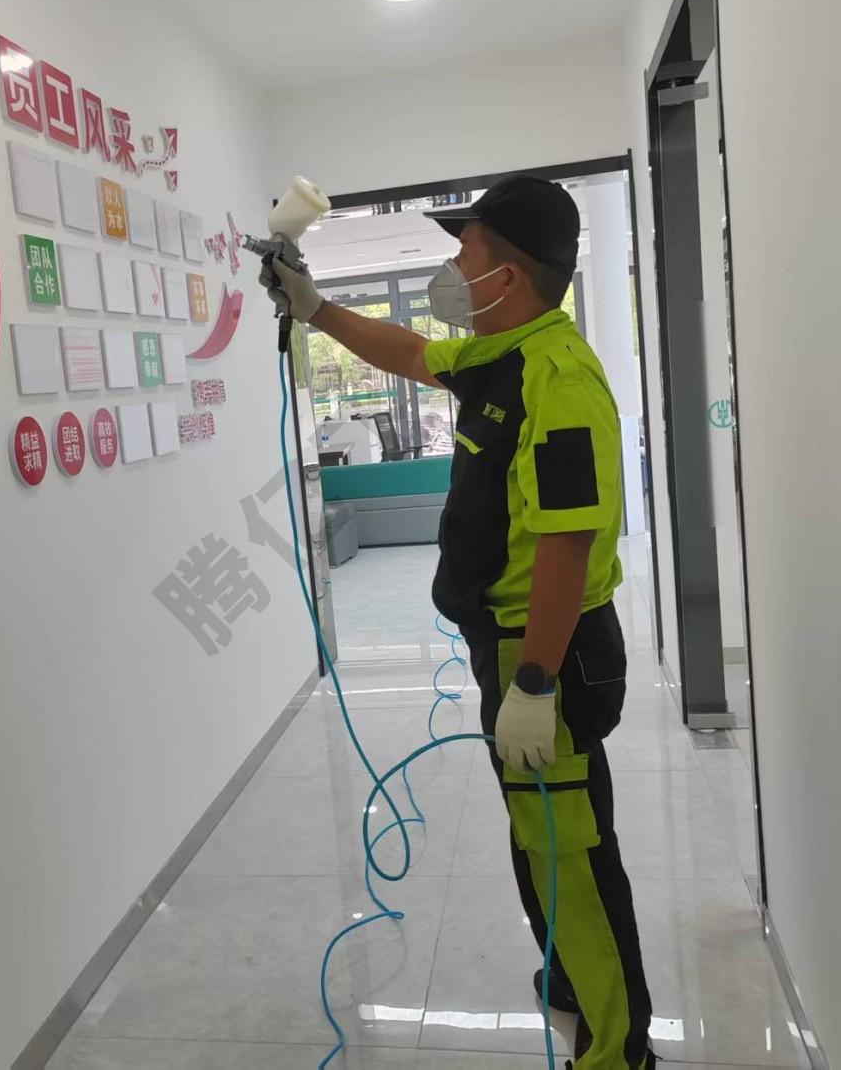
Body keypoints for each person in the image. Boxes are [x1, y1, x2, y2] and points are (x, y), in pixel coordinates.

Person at [260, 175, 654, 1070]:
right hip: (508, 648)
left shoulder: (559, 378)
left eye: (465, 250)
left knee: (571, 850)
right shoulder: (498, 353)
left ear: (505, 276)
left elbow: (566, 546)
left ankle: (618, 1048)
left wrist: (535, 684)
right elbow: (408, 352)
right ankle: (569, 978)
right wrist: (314, 308)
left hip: (545, 652)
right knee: (539, 833)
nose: (453, 267)